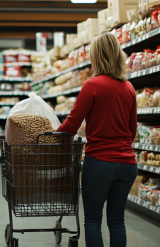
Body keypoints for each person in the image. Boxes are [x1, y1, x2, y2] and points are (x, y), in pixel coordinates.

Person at [56, 33, 137, 247]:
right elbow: (132, 130)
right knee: (117, 221)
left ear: (96, 56)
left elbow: (71, 126)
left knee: (93, 220)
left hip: (100, 162)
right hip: (128, 164)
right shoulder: (128, 87)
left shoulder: (92, 85)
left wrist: (52, 132)